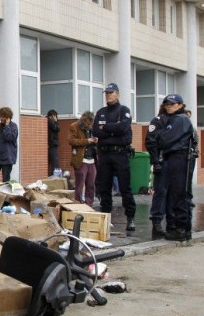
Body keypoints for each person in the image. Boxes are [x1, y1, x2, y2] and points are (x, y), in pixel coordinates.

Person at [93, 83, 136, 231]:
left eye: (111, 93)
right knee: (104, 187)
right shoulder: (101, 112)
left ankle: (130, 217)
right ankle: (105, 216)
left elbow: (123, 129)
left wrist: (105, 128)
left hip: (120, 153)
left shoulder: (123, 110)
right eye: (107, 93)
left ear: (117, 94)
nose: (108, 95)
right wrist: (113, 130)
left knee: (125, 188)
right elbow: (96, 132)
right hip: (104, 154)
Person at [157, 94, 197, 241]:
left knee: (179, 193)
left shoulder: (180, 119)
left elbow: (165, 140)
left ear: (180, 105)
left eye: (172, 104)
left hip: (179, 158)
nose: (169, 106)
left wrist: (161, 136)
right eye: (166, 104)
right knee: (178, 192)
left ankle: (181, 229)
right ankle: (183, 228)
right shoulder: (174, 119)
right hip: (175, 157)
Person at [145, 103, 167, 238]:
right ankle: (157, 222)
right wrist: (155, 161)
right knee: (161, 191)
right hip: (162, 160)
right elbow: (151, 141)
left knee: (175, 192)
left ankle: (173, 222)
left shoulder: (179, 121)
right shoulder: (157, 121)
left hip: (176, 162)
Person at [68, 111, 98, 206]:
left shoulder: (93, 127)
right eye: (88, 123)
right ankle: (78, 202)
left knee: (91, 184)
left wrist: (96, 140)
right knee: (80, 183)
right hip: (81, 160)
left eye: (91, 123)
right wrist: (87, 141)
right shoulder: (74, 126)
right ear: (84, 120)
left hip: (92, 160)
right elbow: (71, 141)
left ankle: (89, 203)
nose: (90, 125)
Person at [0, 106, 18, 182]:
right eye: (0, 116)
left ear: (8, 117)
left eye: (2, 116)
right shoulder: (0, 127)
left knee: (5, 180)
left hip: (7, 158)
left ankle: (4, 193)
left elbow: (9, 137)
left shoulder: (13, 126)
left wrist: (7, 126)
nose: (1, 118)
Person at [47, 109, 60, 176]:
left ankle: (52, 175)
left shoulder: (49, 122)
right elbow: (56, 128)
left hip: (51, 144)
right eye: (54, 116)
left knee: (50, 161)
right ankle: (55, 176)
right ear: (51, 116)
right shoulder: (50, 122)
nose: (56, 118)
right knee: (55, 161)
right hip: (51, 144)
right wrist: (55, 121)